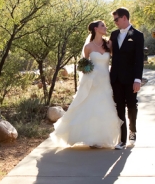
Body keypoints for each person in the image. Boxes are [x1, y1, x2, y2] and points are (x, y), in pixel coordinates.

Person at [50, 20, 123, 148]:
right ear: (95, 29)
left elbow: (116, 60)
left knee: (104, 107)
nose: (105, 27)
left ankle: (101, 137)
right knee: (90, 106)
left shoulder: (109, 44)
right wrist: (88, 73)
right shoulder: (88, 47)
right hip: (92, 81)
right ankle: (92, 139)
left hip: (105, 80)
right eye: (102, 26)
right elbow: (83, 65)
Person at [109, 7, 145, 150]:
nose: (115, 22)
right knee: (119, 107)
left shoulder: (137, 35)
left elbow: (139, 59)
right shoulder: (113, 34)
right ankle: (122, 139)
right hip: (116, 78)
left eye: (116, 19)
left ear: (124, 18)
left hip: (131, 79)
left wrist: (138, 79)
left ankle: (133, 130)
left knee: (131, 105)